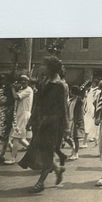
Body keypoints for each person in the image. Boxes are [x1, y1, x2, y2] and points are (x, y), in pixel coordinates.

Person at [20, 57, 70, 193]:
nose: (41, 67)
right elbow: (38, 103)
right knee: (40, 151)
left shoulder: (61, 85)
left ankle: (40, 182)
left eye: (43, 65)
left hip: (54, 124)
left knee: (47, 152)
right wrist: (31, 120)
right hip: (41, 122)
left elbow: (64, 107)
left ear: (50, 68)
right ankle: (58, 169)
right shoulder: (45, 82)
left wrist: (67, 127)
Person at [0, 73, 33, 163]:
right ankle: (33, 150)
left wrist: (12, 88)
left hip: (24, 114)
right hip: (18, 114)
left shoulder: (28, 90)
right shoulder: (22, 89)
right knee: (20, 138)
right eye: (21, 80)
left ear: (28, 82)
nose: (23, 82)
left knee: (16, 137)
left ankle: (13, 158)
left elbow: (16, 97)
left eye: (25, 80)